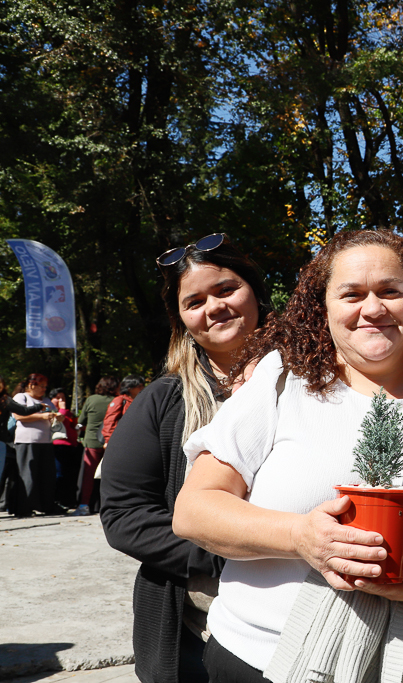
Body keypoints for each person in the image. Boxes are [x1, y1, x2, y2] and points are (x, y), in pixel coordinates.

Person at [172, 229, 403, 682]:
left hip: (400, 666)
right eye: (351, 294)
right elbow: (194, 510)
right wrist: (300, 536)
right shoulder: (281, 381)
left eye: (390, 291)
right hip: (258, 659)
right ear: (323, 307)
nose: (372, 309)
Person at [101, 233, 273, 683]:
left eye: (226, 289)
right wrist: (229, 553)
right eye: (194, 301)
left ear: (256, 291)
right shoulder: (163, 401)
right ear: (181, 319)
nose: (214, 307)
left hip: (305, 619)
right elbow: (124, 516)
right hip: (196, 633)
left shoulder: (319, 385)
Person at [9, 373, 60, 517]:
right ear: (31, 385)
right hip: (27, 441)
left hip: (46, 442)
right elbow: (18, 416)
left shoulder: (46, 400)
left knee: (46, 475)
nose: (44, 389)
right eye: (41, 386)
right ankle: (24, 507)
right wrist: (41, 416)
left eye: (45, 386)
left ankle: (45, 505)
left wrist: (58, 416)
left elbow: (53, 414)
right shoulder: (21, 397)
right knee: (28, 475)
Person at [0, 374, 47, 513]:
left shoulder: (4, 400)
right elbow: (22, 413)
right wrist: (40, 407)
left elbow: (23, 411)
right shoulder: (6, 399)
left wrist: (38, 407)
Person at [75, 376, 117, 515]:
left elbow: (81, 420)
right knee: (109, 475)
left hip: (92, 441)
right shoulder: (117, 401)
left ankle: (84, 505)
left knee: (88, 476)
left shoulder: (91, 399)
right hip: (110, 441)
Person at [48, 387, 82, 510]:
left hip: (71, 446)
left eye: (63, 398)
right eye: (58, 398)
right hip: (58, 446)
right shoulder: (51, 411)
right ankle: (57, 500)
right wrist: (62, 409)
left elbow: (72, 425)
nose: (61, 400)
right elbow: (57, 422)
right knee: (59, 474)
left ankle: (68, 500)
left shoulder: (67, 413)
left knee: (69, 475)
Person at [101, 375, 145, 444]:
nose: (142, 388)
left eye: (143, 386)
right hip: (121, 441)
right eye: (139, 386)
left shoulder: (141, 401)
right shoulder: (119, 400)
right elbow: (110, 422)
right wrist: (109, 441)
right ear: (129, 388)